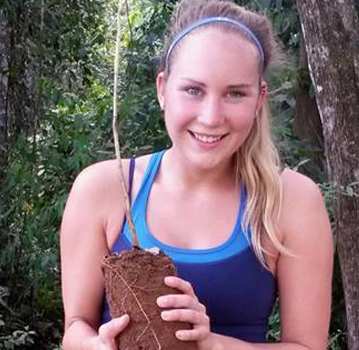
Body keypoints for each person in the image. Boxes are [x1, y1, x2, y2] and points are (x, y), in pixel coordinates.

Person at [60, 0, 333, 349]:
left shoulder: (292, 201)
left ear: (259, 99)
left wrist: (211, 344)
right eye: (193, 90)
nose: (211, 116)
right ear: (162, 89)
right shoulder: (105, 189)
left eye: (235, 93)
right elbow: (75, 328)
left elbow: (308, 346)